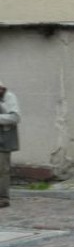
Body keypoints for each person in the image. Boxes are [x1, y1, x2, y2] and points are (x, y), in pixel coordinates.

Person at [0, 78, 21, 208]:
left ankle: (3, 198)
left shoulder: (9, 98)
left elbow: (15, 117)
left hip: (4, 138)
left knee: (2, 170)